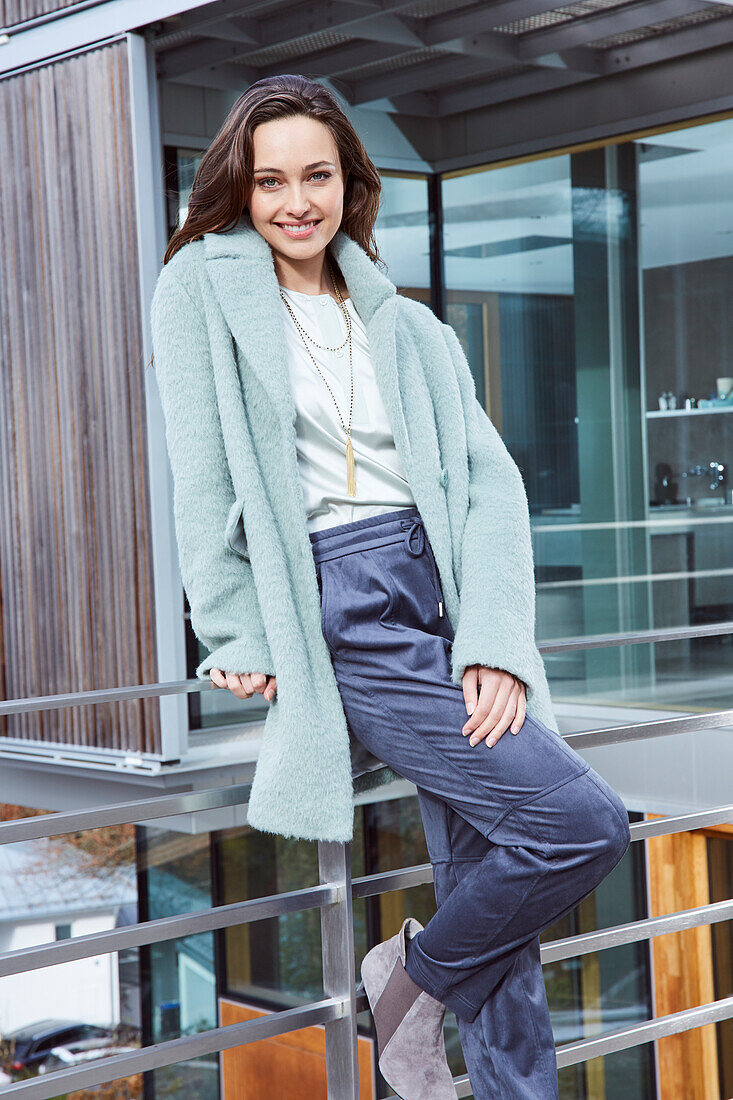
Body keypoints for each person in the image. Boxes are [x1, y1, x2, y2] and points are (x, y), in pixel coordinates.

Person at [150, 73, 631, 1100]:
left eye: (315, 175)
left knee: (490, 848)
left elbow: (490, 483)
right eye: (269, 179)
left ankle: (495, 1070)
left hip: (443, 592)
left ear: (347, 181)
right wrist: (237, 628)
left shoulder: (405, 322)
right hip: (343, 604)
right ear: (240, 186)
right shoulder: (201, 287)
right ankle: (410, 981)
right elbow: (201, 474)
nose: (294, 201)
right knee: (577, 823)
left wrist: (494, 636)